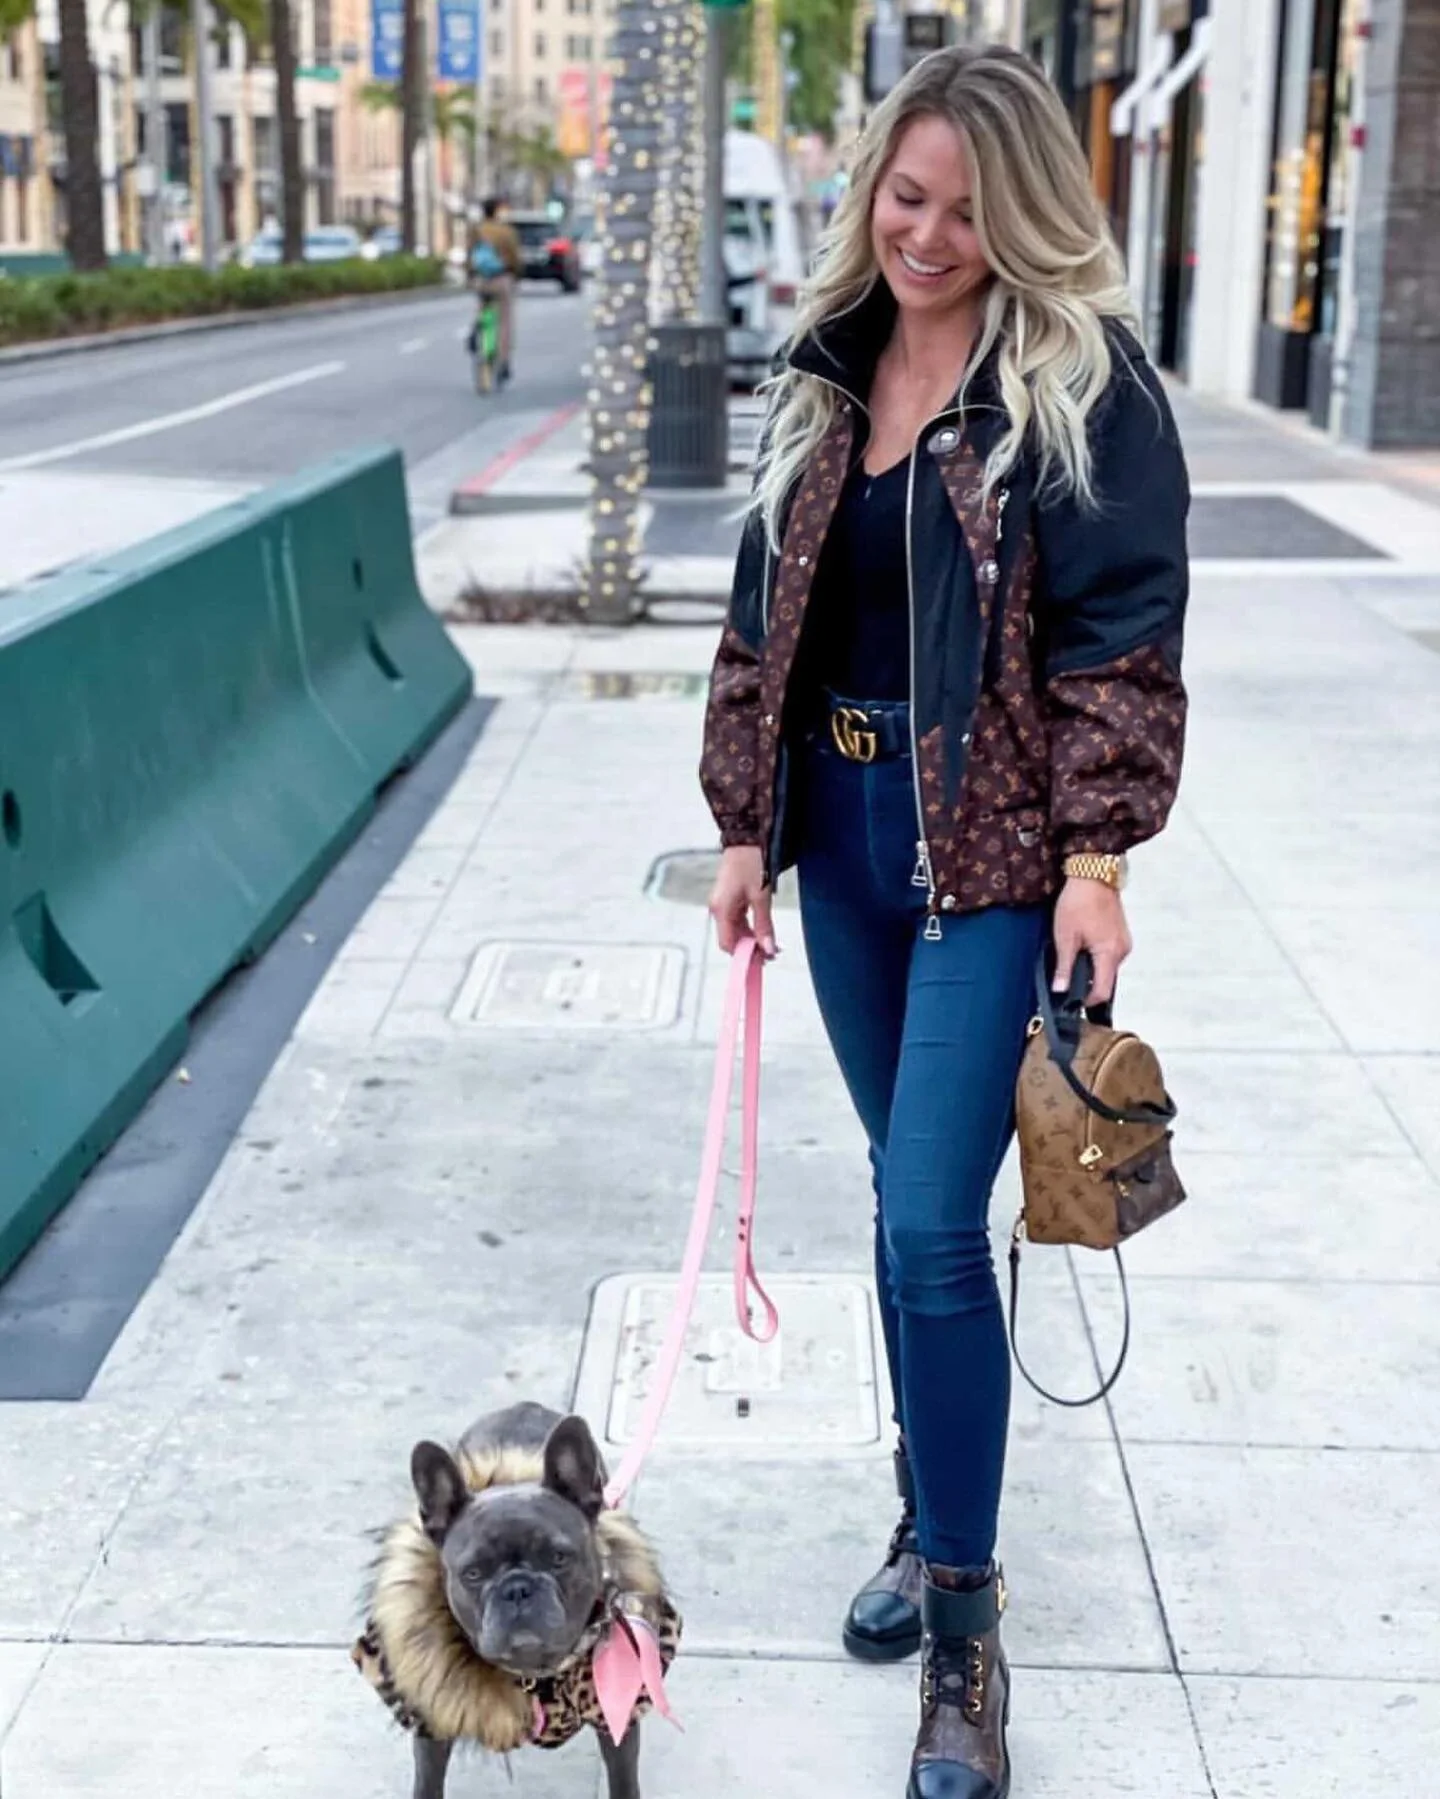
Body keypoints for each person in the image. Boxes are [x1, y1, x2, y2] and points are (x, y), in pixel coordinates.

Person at [700, 44, 1188, 1799]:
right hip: (837, 835)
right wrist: (744, 826)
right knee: (914, 1206)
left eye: (968, 211)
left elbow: (1119, 635)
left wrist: (1099, 860)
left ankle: (968, 1636)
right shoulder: (823, 372)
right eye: (908, 198)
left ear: (1026, 216)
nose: (928, 235)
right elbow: (764, 618)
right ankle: (928, 1509)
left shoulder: (1081, 383)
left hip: (985, 849)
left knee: (921, 1221)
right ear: (869, 196)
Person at [469, 197, 522, 383]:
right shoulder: (506, 232)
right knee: (505, 321)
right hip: (501, 278)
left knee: (482, 304)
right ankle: (504, 362)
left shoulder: (476, 230)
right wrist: (516, 274)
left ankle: (476, 326)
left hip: (482, 279)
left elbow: (470, 256)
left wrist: (471, 276)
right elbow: (515, 258)